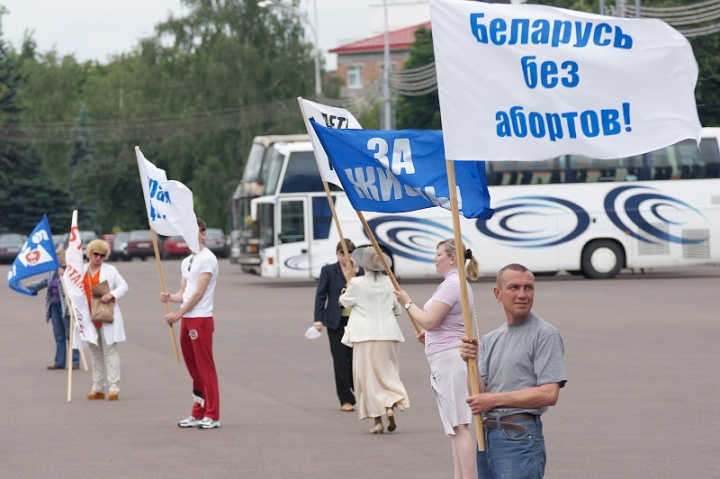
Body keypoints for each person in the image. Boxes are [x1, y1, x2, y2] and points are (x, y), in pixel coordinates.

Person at [460, 263, 567, 479]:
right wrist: (468, 361)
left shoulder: (545, 334)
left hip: (520, 437)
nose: (522, 294)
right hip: (487, 435)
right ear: (497, 293)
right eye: (514, 287)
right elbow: (479, 394)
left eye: (528, 287)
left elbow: (549, 394)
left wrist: (493, 400)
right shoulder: (490, 339)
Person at [394, 238, 479, 479]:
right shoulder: (453, 283)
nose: (435, 258)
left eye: (438, 254)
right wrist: (429, 336)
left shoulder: (452, 284)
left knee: (459, 426)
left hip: (451, 361)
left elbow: (431, 319)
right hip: (447, 357)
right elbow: (438, 324)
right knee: (455, 427)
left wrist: (407, 303)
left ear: (452, 258)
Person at [339, 247, 409, 434]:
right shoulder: (390, 283)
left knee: (367, 378)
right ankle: (389, 404)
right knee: (388, 373)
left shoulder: (357, 283)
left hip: (364, 335)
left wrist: (349, 280)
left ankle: (377, 420)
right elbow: (397, 309)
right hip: (388, 333)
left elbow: (344, 302)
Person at [160, 218, 220, 430]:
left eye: (194, 232)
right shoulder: (186, 262)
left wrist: (178, 314)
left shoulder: (208, 259)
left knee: (205, 368)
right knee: (193, 369)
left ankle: (212, 414)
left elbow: (199, 293)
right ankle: (198, 411)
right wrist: (170, 298)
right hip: (187, 318)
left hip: (201, 318)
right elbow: (184, 293)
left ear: (203, 234)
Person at [313, 239, 361, 412]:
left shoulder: (361, 272)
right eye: (342, 253)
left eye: (349, 252)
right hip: (336, 321)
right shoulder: (329, 271)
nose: (345, 257)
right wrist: (318, 319)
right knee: (340, 360)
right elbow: (321, 295)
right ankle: (345, 399)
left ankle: (357, 390)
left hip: (356, 321)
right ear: (337, 254)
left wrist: (355, 273)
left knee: (355, 360)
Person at [84, 239, 129, 401]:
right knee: (95, 353)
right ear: (90, 253)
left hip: (106, 313)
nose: (98, 258)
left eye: (102, 256)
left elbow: (123, 286)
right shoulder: (81, 270)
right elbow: (72, 287)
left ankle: (114, 387)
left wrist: (112, 295)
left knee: (110, 350)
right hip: (88, 316)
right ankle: (97, 387)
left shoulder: (110, 270)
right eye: (96, 254)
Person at [26, 247, 80, 370]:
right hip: (54, 306)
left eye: (62, 257)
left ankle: (75, 361)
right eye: (58, 257)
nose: (60, 260)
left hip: (67, 307)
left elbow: (76, 287)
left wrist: (64, 275)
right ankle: (59, 362)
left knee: (70, 335)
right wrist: (30, 286)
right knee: (59, 335)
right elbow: (44, 282)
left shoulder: (71, 272)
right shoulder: (53, 272)